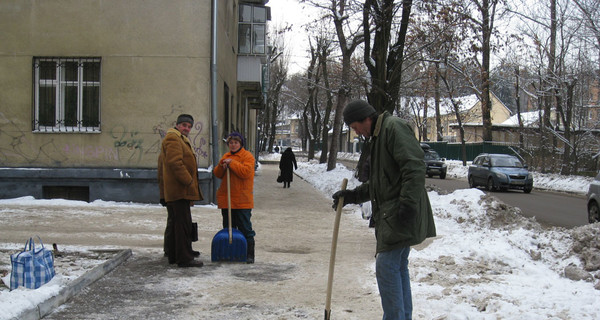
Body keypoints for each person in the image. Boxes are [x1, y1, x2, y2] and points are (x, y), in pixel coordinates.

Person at [332, 100, 436, 320]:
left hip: (399, 212)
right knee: (397, 267)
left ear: (365, 118)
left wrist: (407, 204)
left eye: (354, 127)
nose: (356, 132)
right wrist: (352, 195)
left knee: (387, 267)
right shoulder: (379, 138)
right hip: (393, 213)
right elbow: (381, 183)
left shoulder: (393, 128)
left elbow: (415, 167)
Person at [158, 114, 204, 268]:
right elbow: (175, 163)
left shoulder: (179, 139)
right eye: (184, 125)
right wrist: (189, 181)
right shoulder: (173, 138)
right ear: (177, 125)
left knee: (178, 223)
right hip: (179, 190)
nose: (187, 128)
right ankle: (184, 258)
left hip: (178, 190)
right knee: (182, 224)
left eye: (189, 126)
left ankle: (176, 254)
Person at [213, 132, 257, 264]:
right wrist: (222, 165)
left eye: (236, 143)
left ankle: (249, 254)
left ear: (240, 144)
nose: (233, 145)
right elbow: (217, 173)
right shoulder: (226, 156)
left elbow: (245, 172)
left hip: (242, 200)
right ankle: (230, 251)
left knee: (245, 228)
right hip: (228, 200)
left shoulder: (247, 156)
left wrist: (232, 163)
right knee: (229, 228)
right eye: (231, 143)